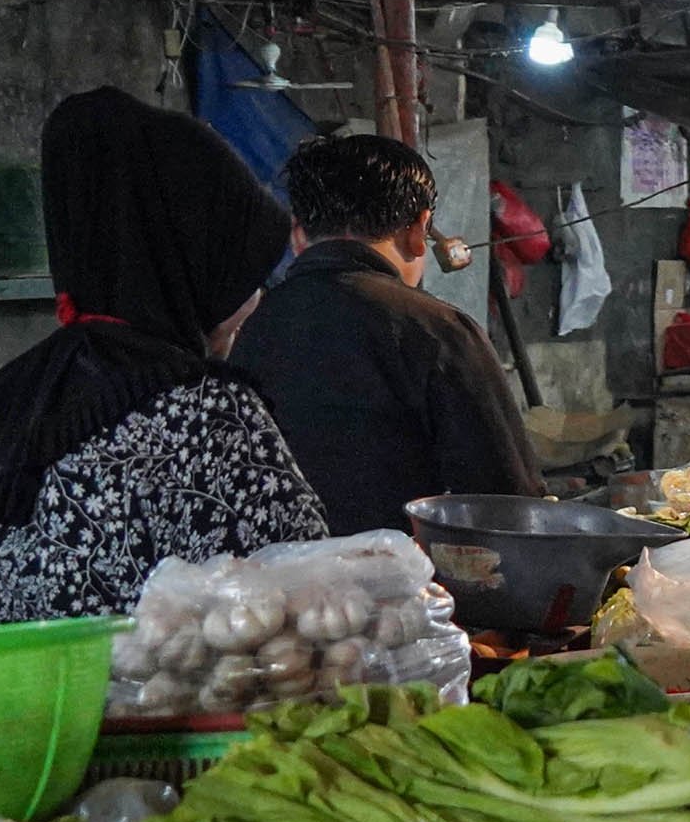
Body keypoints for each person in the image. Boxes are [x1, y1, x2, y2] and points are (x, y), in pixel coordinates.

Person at [0, 87, 325, 626]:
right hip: (141, 711)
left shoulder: (4, 402)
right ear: (193, 262)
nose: (256, 297)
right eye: (243, 269)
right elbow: (308, 598)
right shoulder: (209, 416)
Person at [229, 133, 544, 538]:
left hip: (272, 585)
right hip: (400, 586)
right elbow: (508, 499)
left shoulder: (251, 329)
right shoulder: (439, 330)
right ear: (419, 230)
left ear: (298, 235)